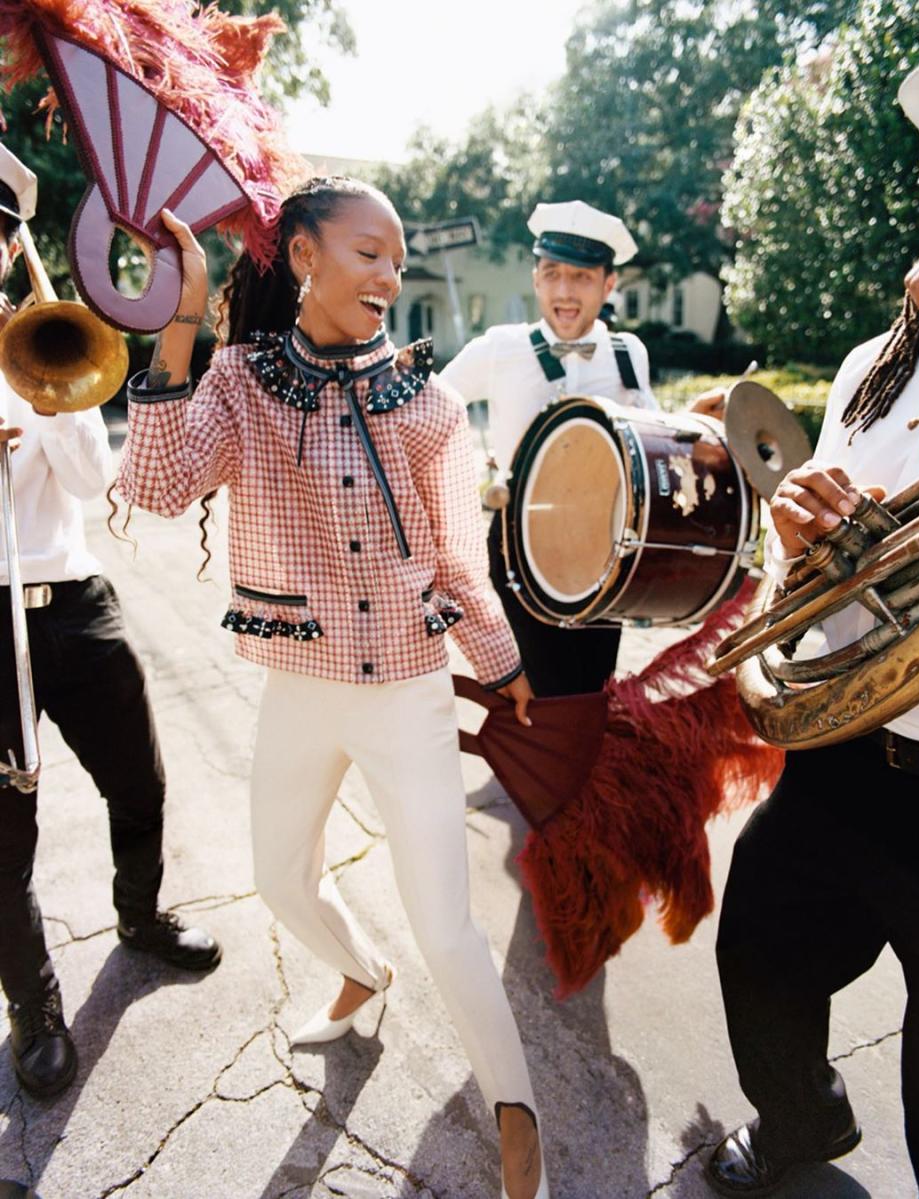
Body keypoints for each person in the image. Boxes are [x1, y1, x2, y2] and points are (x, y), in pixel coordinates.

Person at [116, 175, 548, 1199]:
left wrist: (505, 662)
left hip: (407, 688)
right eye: (369, 253)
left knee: (444, 921)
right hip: (300, 680)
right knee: (278, 878)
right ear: (303, 255)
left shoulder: (429, 404)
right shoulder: (240, 382)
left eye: (398, 260)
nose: (389, 275)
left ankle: (517, 1104)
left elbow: (456, 559)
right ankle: (360, 967)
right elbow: (158, 487)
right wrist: (179, 323)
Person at [707, 42, 919, 1199]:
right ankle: (802, 1129)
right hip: (849, 752)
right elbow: (805, 558)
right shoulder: (873, 365)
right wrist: (802, 531)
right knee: (758, 943)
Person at [0, 143, 221, 1101]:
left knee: (140, 779)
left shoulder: (42, 340)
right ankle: (36, 1012)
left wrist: (40, 388)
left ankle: (139, 916)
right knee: (4, 843)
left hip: (74, 606)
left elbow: (95, 477)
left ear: (11, 248)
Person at [441, 199, 723, 697]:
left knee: (590, 687)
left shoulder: (628, 352)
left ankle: (575, 767)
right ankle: (534, 770)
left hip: (604, 546)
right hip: (519, 546)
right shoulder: (500, 348)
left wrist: (693, 423)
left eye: (582, 278)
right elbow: (430, 409)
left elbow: (651, 439)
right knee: (533, 685)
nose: (565, 293)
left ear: (608, 285)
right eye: (552, 274)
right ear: (535, 279)